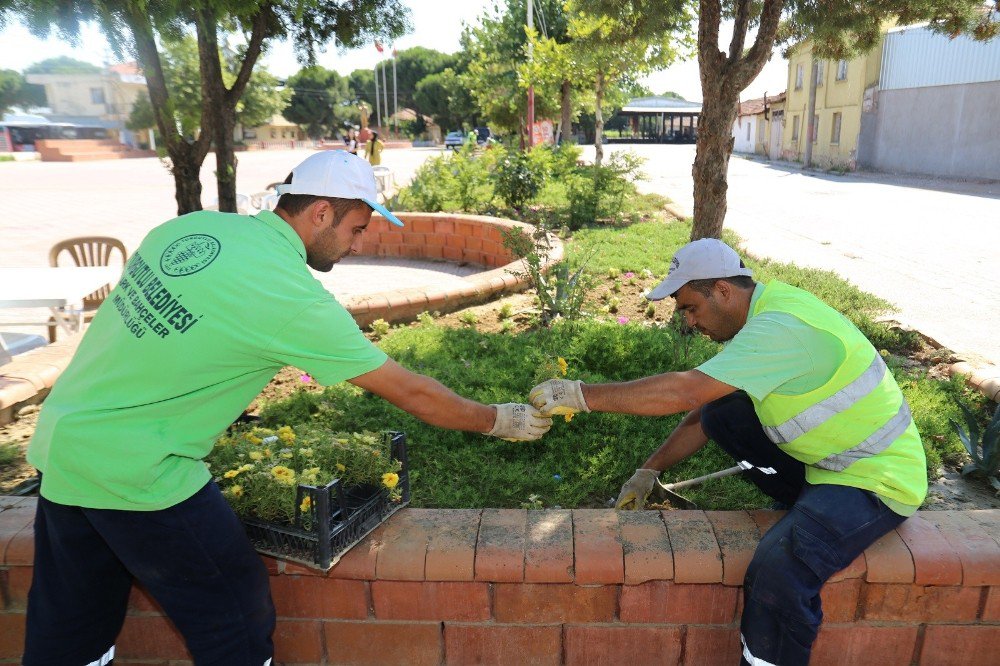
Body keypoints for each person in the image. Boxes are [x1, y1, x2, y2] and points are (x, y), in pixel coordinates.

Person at [23, 150, 552, 665]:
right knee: (236, 617)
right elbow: (410, 390)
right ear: (321, 212)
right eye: (357, 228)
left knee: (71, 633)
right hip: (140, 475)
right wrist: (499, 420)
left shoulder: (191, 229)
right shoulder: (293, 299)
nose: (357, 243)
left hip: (64, 446)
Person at [529, 238, 926, 666]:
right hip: (824, 466)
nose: (688, 321)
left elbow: (683, 391)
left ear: (722, 290)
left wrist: (581, 394)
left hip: (873, 480)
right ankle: (803, 506)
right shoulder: (768, 309)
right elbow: (702, 409)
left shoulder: (782, 330)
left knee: (778, 570)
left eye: (690, 308)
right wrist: (648, 471)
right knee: (722, 412)